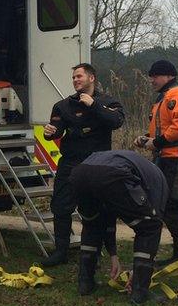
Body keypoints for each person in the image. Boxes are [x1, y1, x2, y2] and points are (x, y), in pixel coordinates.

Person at [40, 63, 125, 266]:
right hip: (70, 162)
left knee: (95, 209)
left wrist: (93, 105)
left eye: (79, 76)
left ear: (91, 78)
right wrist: (50, 133)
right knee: (60, 207)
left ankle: (94, 251)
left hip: (97, 163)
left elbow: (116, 122)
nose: (75, 80)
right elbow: (57, 130)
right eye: (74, 78)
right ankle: (60, 251)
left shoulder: (108, 101)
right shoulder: (63, 105)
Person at [69, 150, 167, 305]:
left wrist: (113, 255)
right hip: (111, 174)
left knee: (93, 223)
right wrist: (139, 271)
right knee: (150, 227)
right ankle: (140, 292)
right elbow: (152, 219)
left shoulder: (138, 168)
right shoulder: (159, 184)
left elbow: (108, 216)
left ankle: (85, 283)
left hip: (79, 173)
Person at [132, 60, 178, 265]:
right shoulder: (164, 98)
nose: (151, 80)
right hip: (167, 157)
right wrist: (146, 138)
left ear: (168, 76)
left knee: (173, 204)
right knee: (164, 203)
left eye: (154, 76)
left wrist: (157, 142)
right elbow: (164, 129)